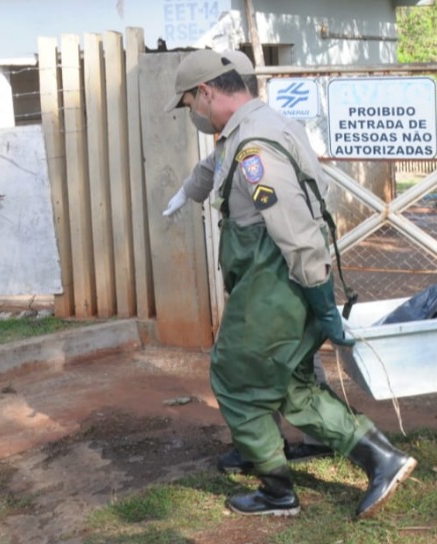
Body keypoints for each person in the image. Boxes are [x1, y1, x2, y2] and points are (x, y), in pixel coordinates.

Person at [162, 49, 416, 518]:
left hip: (278, 280)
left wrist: (322, 305)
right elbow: (217, 166)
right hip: (279, 279)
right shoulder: (257, 128)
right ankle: (381, 458)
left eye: (190, 104)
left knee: (236, 378)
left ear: (206, 92)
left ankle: (276, 492)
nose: (192, 114)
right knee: (292, 386)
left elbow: (295, 231)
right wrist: (187, 192)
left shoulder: (256, 149)